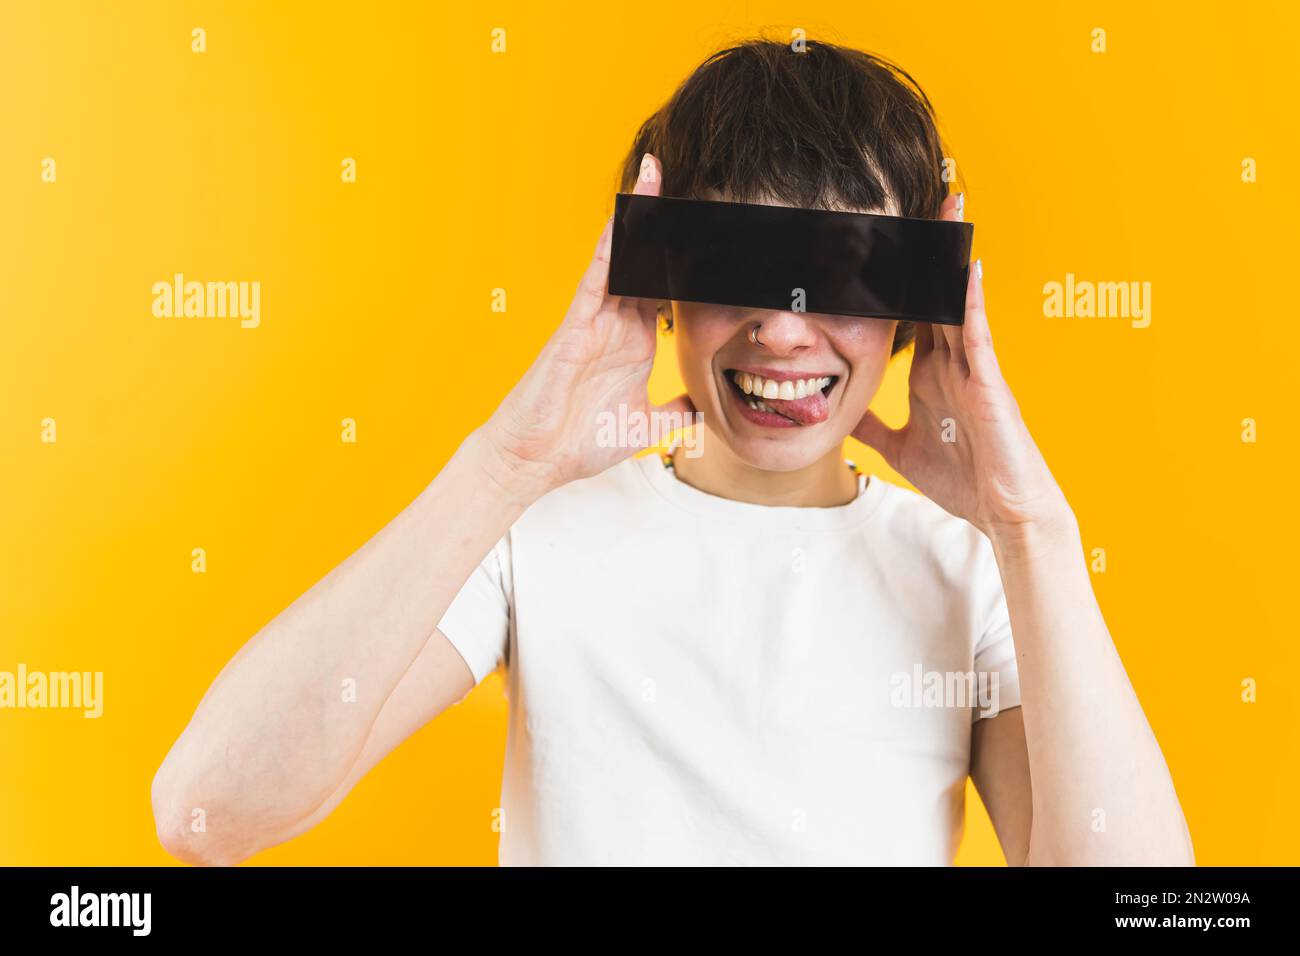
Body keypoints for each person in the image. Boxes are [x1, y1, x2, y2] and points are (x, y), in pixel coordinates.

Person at [151, 39, 1193, 866]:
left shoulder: (976, 570)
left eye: (844, 271)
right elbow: (209, 812)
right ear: (661, 285)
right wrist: (511, 459)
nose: (783, 332)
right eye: (741, 261)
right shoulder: (538, 531)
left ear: (917, 307)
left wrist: (1029, 528)